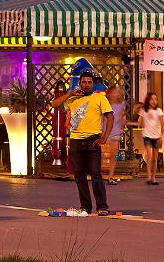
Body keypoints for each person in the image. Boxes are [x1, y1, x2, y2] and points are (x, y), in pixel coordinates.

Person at [51, 71, 113, 215]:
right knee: (79, 175)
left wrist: (104, 138)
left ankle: (102, 206)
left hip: (93, 141)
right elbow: (55, 104)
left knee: (96, 175)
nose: (86, 85)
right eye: (84, 82)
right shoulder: (73, 100)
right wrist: (70, 94)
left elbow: (110, 118)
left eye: (89, 82)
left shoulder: (100, 98)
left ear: (93, 84)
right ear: (80, 84)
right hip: (75, 141)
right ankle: (85, 207)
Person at [139, 92, 164, 186]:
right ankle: (149, 176)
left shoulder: (159, 111)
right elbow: (140, 122)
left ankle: (154, 177)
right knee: (149, 156)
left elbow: (162, 124)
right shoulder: (143, 110)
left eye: (156, 99)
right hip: (147, 135)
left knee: (155, 158)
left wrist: (161, 136)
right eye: (152, 99)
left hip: (157, 136)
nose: (154, 101)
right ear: (148, 100)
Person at [104, 86, 127, 185]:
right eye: (114, 92)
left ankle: (110, 176)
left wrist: (123, 125)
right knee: (102, 154)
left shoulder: (121, 104)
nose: (115, 94)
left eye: (117, 92)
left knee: (113, 154)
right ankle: (99, 175)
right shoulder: (105, 103)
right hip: (105, 130)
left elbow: (122, 116)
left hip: (116, 131)